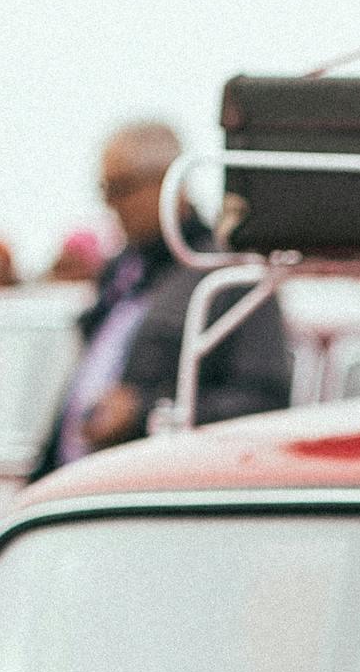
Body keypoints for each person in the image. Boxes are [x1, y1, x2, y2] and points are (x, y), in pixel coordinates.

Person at [38, 120, 291, 472]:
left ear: (172, 183)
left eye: (122, 188)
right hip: (86, 490)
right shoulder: (122, 273)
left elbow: (264, 400)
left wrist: (141, 412)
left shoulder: (227, 274)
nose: (111, 205)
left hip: (155, 495)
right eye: (105, 190)